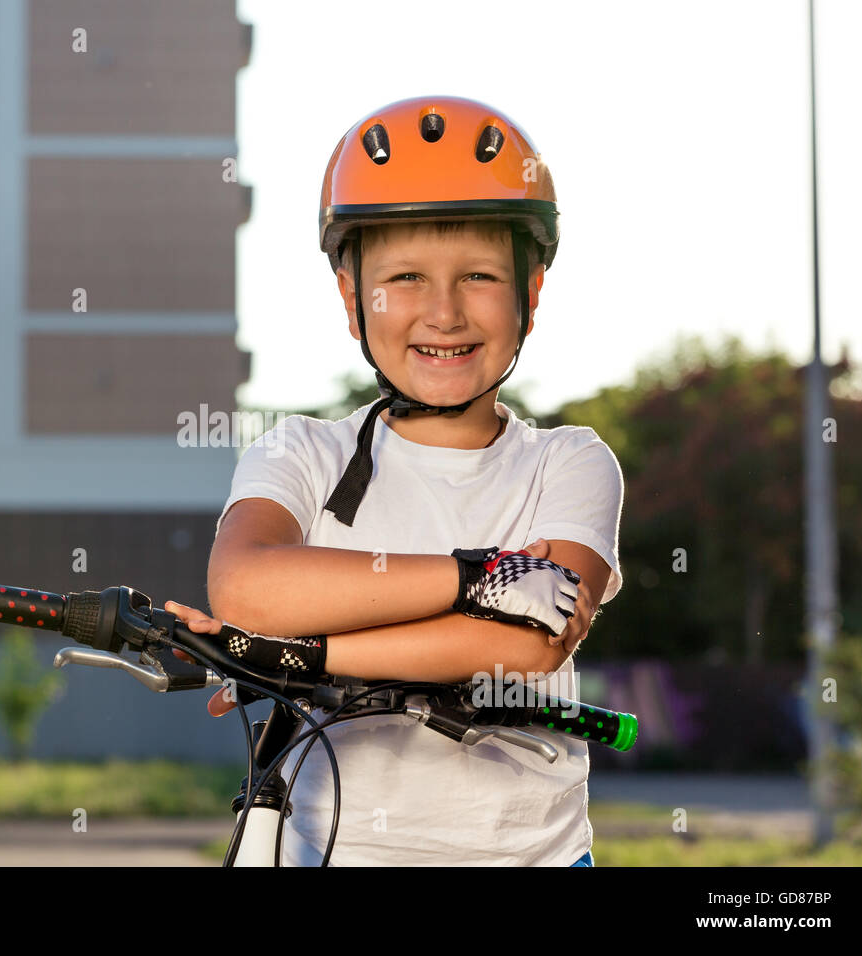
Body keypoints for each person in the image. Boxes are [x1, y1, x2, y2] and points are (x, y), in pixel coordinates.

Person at [166, 96, 623, 866]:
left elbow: (532, 645)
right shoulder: (300, 454)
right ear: (352, 299)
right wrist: (478, 579)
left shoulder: (570, 462)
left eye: (478, 276)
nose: (442, 313)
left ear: (530, 295)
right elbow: (247, 587)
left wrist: (300, 652)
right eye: (405, 277)